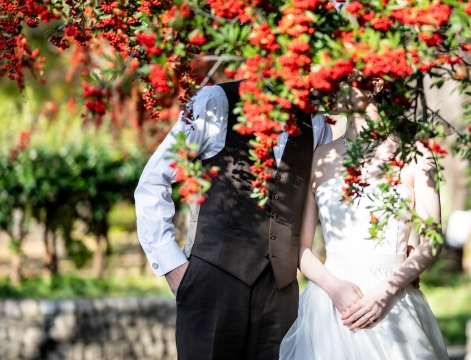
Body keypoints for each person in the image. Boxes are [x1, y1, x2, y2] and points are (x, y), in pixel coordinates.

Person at [134, 81, 332, 360]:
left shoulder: (316, 121)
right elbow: (154, 181)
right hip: (212, 284)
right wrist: (172, 265)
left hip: (281, 293)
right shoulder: (216, 103)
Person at [279, 78, 449, 360]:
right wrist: (334, 288)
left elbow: (432, 242)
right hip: (330, 305)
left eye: (343, 79)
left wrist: (385, 292)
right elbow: (303, 248)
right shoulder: (320, 157)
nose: (331, 87)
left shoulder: (416, 155)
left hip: (393, 298)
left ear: (377, 84)